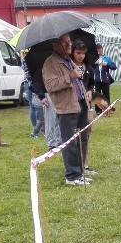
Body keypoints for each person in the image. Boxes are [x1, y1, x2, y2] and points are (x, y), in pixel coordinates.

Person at [42, 33, 90, 186]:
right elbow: (50, 85)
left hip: (80, 104)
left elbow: (76, 79)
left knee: (83, 139)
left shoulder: (68, 59)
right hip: (66, 107)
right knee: (70, 142)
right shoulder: (51, 63)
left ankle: (81, 171)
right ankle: (72, 176)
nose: (69, 44)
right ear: (55, 44)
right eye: (65, 42)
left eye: (69, 41)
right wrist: (69, 76)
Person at [71, 39, 96, 175]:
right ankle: (75, 166)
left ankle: (84, 165)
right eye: (78, 53)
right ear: (73, 52)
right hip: (72, 106)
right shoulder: (69, 66)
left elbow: (91, 83)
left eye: (83, 53)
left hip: (85, 106)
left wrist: (90, 90)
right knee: (73, 137)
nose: (81, 56)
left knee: (84, 136)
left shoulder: (89, 68)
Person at [92, 43, 116, 114]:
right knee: (97, 96)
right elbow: (89, 66)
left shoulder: (107, 58)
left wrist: (107, 64)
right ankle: (98, 111)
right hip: (96, 80)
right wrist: (94, 63)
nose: (99, 52)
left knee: (106, 95)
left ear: (102, 50)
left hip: (105, 80)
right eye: (98, 51)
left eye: (100, 51)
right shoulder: (93, 58)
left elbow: (114, 67)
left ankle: (108, 109)